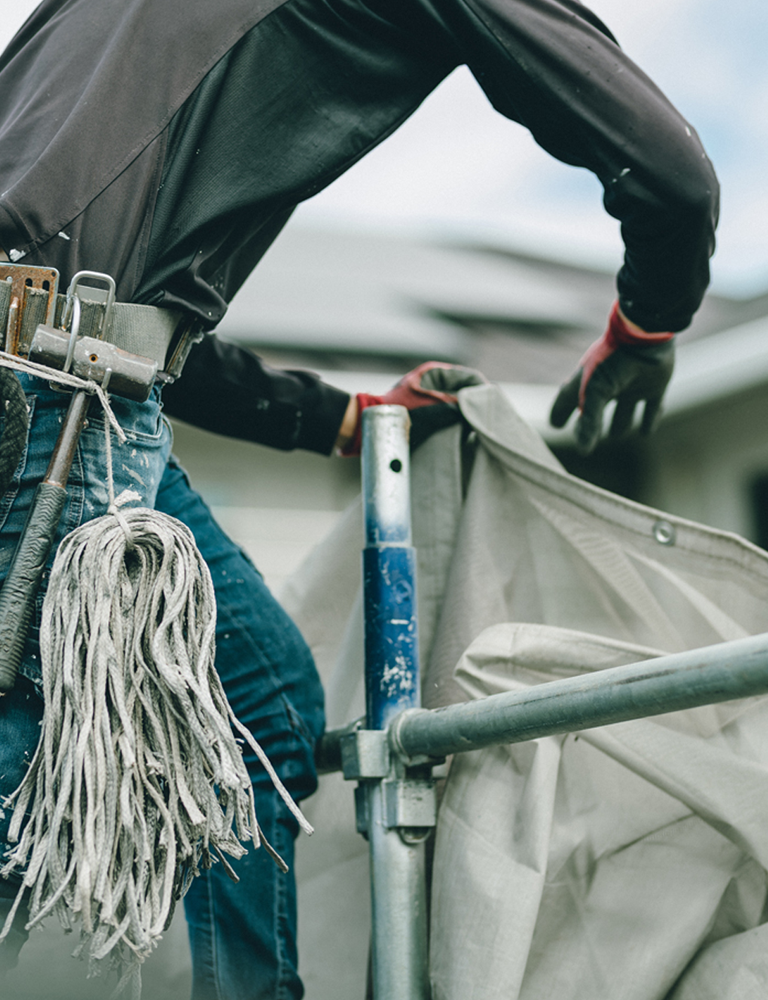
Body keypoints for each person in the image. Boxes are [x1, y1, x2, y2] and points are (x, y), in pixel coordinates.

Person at [0, 0, 718, 997]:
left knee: (261, 705)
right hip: (52, 397)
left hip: (87, 388)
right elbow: (669, 172)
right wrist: (647, 324)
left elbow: (121, 315)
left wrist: (336, 418)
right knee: (27, 766)